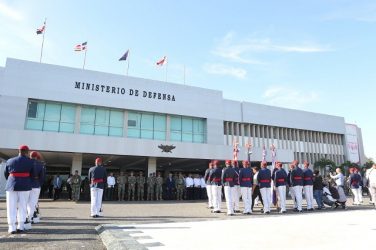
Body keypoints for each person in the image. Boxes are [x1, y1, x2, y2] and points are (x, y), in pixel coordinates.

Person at [4, 145, 35, 234]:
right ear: (27, 152)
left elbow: (6, 174)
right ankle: (21, 226)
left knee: (11, 206)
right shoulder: (31, 162)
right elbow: (32, 175)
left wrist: (12, 181)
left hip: (11, 185)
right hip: (25, 186)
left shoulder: (10, 160)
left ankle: (11, 227)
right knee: (23, 206)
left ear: (19, 151)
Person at [27, 151, 45, 225]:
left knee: (25, 203)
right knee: (33, 203)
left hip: (26, 185)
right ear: (37, 156)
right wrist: (39, 184)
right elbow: (42, 178)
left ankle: (26, 217)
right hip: (36, 185)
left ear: (30, 156)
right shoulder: (40, 164)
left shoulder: (27, 163)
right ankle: (31, 217)